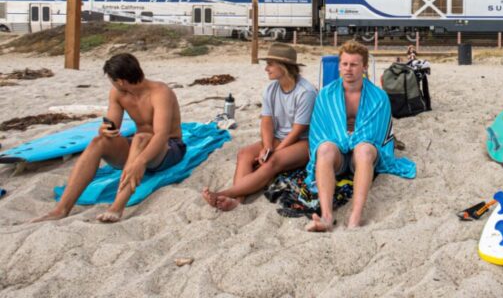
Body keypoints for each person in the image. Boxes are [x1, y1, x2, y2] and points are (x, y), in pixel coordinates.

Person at [32, 53, 185, 223]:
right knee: (99, 142)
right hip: (138, 146)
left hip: (168, 149)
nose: (111, 83)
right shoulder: (118, 94)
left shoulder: (160, 92)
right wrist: (105, 130)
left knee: (141, 137)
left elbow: (162, 135)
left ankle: (117, 207)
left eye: (111, 80)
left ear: (119, 80)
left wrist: (139, 162)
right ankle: (61, 209)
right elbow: (112, 126)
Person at [305, 40, 416, 232]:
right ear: (339, 66)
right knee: (324, 149)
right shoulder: (326, 95)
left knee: (364, 150)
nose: (348, 69)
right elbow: (319, 132)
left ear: (364, 67)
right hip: (337, 156)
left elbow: (377, 134)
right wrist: (344, 139)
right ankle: (326, 217)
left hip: (363, 156)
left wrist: (350, 139)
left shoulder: (378, 97)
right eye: (345, 64)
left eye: (354, 64)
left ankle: (355, 217)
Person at [202, 43, 316, 211]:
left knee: (272, 161)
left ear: (284, 67)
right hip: (278, 138)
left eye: (270, 64)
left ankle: (224, 193)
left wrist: (273, 153)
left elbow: (298, 130)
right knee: (244, 154)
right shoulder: (271, 89)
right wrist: (268, 146)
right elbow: (266, 121)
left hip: (303, 141)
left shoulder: (306, 92)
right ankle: (238, 201)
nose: (266, 68)